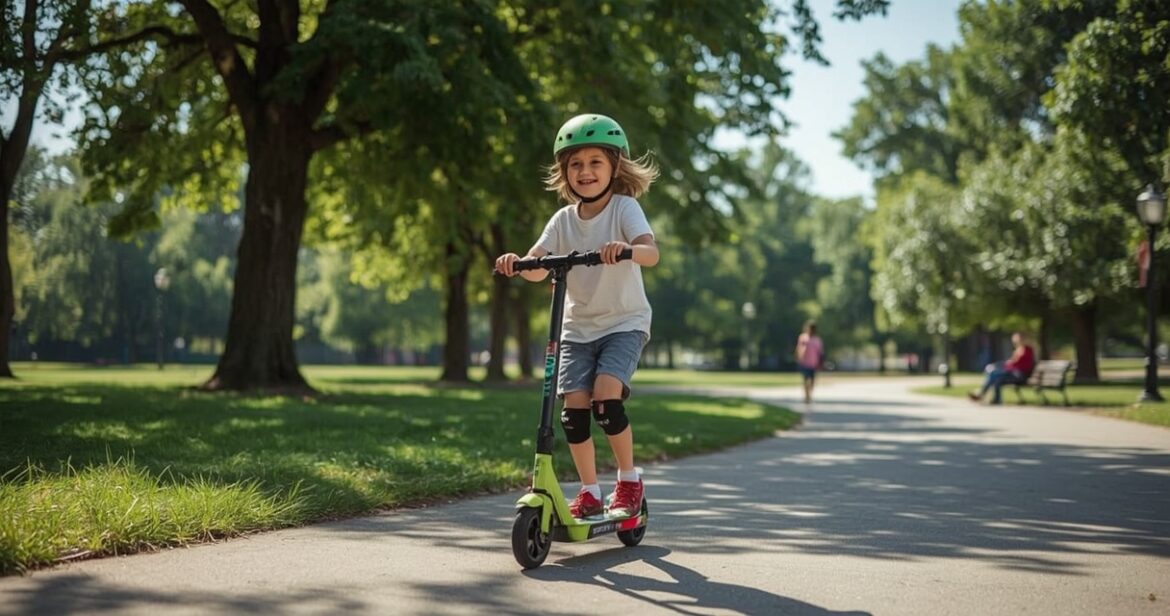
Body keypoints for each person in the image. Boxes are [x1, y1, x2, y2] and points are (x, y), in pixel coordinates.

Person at [495, 113, 659, 519]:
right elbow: (537, 267)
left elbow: (651, 253)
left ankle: (628, 481)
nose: (584, 172)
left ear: (614, 167)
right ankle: (589, 491)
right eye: (575, 164)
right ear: (564, 172)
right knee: (573, 412)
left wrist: (624, 248)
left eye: (595, 162)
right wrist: (518, 262)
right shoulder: (563, 220)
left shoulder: (625, 208)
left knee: (607, 400)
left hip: (624, 323)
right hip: (577, 329)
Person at [968, 331, 1036, 405]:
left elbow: (1019, 364)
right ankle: (996, 399)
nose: (1015, 340)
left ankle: (982, 394)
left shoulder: (1027, 349)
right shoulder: (1018, 349)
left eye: (1017, 338)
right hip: (1012, 373)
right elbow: (1011, 363)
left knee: (993, 374)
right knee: (995, 377)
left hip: (1019, 375)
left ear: (1023, 339)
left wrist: (1010, 362)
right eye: (1014, 338)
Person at [794, 320, 824, 403]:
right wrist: (797, 357)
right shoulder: (803, 338)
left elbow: (820, 353)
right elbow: (798, 348)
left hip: (814, 363)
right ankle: (806, 396)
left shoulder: (817, 340)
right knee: (805, 379)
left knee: (812, 380)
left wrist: (821, 363)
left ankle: (809, 394)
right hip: (804, 362)